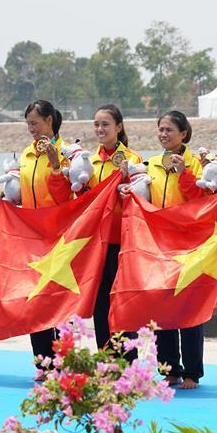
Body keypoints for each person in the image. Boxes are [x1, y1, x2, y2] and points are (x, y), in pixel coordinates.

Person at [0, 100, 71, 374]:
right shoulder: (26, 155)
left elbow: (65, 197)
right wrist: (6, 196)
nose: (31, 129)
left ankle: (65, 364)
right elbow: (23, 193)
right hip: (31, 238)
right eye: (28, 124)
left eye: (35, 123)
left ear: (50, 121)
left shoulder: (68, 153)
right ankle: (43, 364)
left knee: (61, 299)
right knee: (35, 300)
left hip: (60, 236)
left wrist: (54, 165)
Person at [145, 110, 205, 389]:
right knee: (163, 308)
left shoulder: (195, 162)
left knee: (189, 307)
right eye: (160, 129)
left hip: (189, 244)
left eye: (169, 129)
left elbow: (202, 200)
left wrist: (184, 174)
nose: (164, 134)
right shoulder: (153, 163)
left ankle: (192, 372)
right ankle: (169, 368)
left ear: (184, 133)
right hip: (159, 244)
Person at [86, 104, 143, 350]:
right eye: (97, 124)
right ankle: (104, 359)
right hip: (97, 243)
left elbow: (142, 197)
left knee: (122, 300)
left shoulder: (132, 160)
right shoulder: (89, 162)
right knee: (100, 303)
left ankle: (127, 361)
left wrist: (124, 185)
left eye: (105, 124)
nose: (100, 129)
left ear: (118, 127)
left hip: (123, 241)